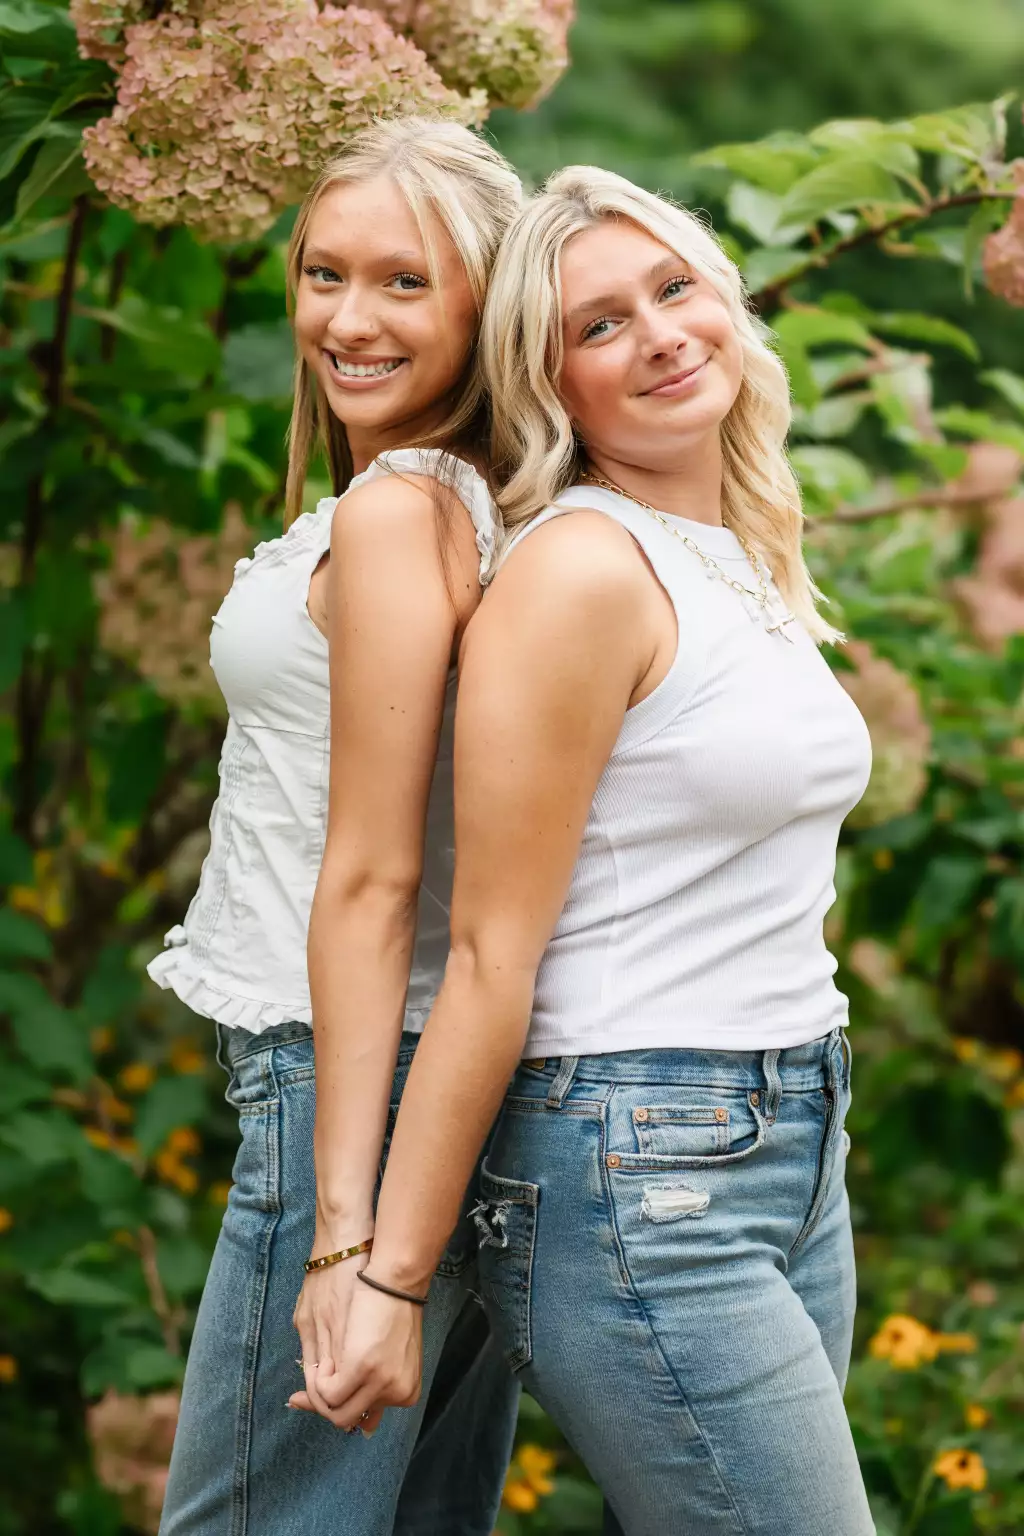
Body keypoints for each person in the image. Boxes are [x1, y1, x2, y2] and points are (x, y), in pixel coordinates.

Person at [305, 167, 878, 1536]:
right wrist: (385, 1272)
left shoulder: (731, 553)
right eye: (600, 326)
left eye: (673, 290)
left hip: (790, 1135)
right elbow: (497, 950)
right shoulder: (579, 571)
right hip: (640, 1161)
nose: (662, 336)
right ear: (548, 381)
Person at [149, 118, 523, 1536]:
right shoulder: (472, 505)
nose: (347, 321)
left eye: (405, 283)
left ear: (488, 300)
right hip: (434, 1097)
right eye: (323, 274)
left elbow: (374, 877)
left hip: (347, 1096)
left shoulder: (400, 516)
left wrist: (348, 1239)